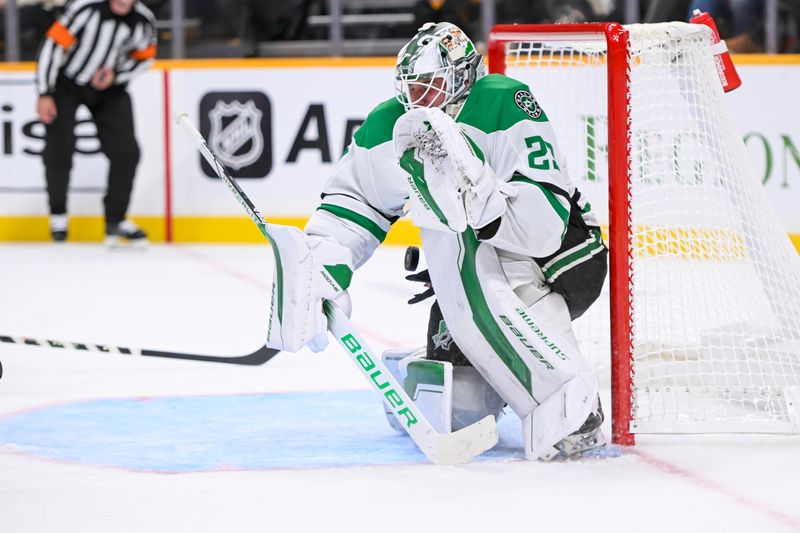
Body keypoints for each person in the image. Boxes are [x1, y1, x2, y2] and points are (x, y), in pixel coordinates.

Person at [265, 22, 609, 461]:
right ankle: (446, 365)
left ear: (463, 76)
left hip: (565, 255)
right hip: (469, 271)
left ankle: (566, 393)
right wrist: (323, 265)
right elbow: (354, 203)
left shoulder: (503, 101)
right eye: (412, 88)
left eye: (431, 85)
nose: (419, 99)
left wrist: (482, 197)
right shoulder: (389, 124)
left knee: (496, 269)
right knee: (457, 410)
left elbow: (545, 226)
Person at [34, 0, 156, 246]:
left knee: (127, 152)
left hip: (109, 91)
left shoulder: (143, 20)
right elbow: (53, 45)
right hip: (67, 84)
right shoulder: (85, 7)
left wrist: (117, 76)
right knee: (60, 147)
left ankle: (116, 220)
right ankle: (58, 214)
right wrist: (45, 92)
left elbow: (145, 58)